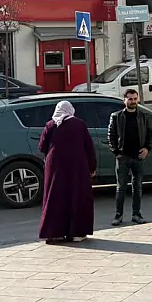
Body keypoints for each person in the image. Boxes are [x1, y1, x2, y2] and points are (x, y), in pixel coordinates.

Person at [38, 101, 96, 244]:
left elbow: (42, 146)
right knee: (77, 196)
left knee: (55, 197)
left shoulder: (51, 125)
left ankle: (54, 233)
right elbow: (89, 147)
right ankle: (77, 233)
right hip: (77, 166)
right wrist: (92, 167)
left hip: (55, 166)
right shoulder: (79, 124)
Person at [108, 89, 152, 226]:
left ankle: (136, 214)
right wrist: (116, 152)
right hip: (123, 157)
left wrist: (147, 148)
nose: (133, 102)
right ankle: (118, 215)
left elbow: (151, 134)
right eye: (130, 99)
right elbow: (111, 136)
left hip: (138, 158)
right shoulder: (116, 117)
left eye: (135, 99)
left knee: (137, 187)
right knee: (120, 188)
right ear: (125, 100)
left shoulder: (144, 116)